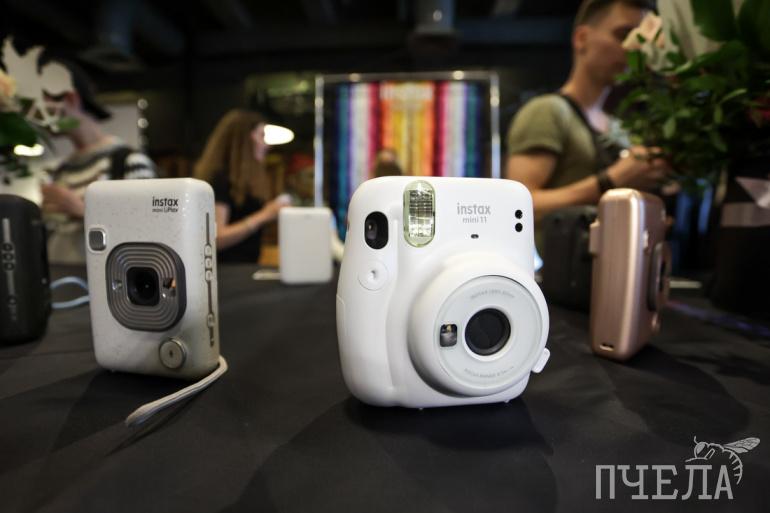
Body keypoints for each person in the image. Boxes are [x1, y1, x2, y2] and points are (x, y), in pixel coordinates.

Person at [506, 0, 669, 250]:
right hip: (559, 270)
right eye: (623, 34)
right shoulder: (548, 111)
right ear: (582, 38)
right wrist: (608, 182)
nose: (633, 48)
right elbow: (516, 209)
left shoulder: (619, 127)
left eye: (641, 40)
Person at [41, 60, 156, 264]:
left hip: (105, 277)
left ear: (71, 99)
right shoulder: (62, 170)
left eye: (44, 103)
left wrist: (80, 210)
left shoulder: (129, 161)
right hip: (64, 274)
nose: (40, 114)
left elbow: (146, 228)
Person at [193, 110, 290, 263]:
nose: (266, 145)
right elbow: (216, 237)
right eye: (262, 136)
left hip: (246, 266)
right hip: (227, 270)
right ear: (244, 140)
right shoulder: (219, 179)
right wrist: (264, 215)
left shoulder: (242, 181)